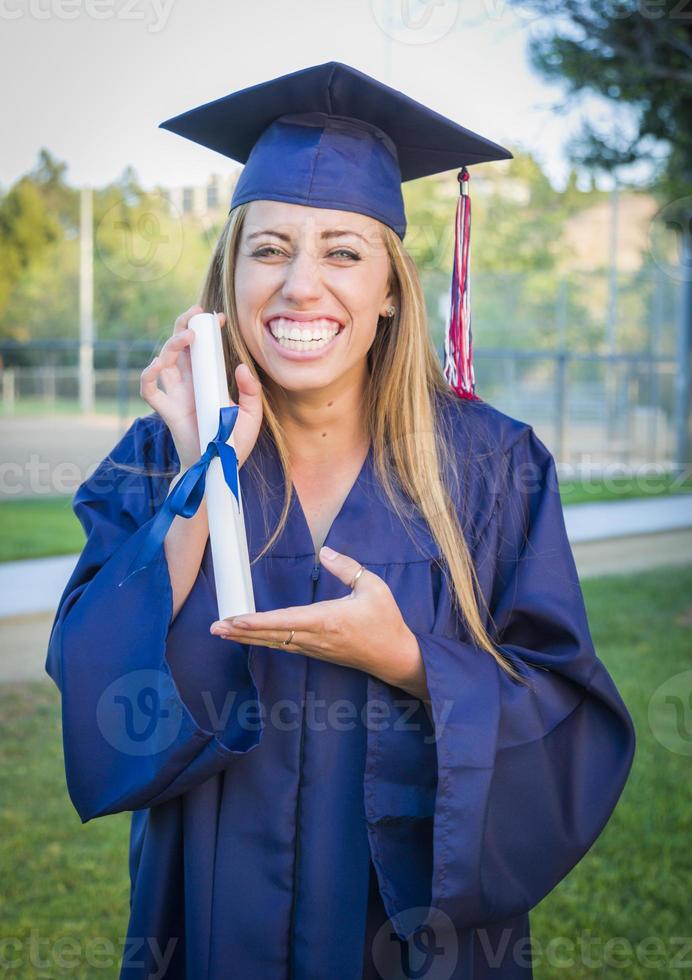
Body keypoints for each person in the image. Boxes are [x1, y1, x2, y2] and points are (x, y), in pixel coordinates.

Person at [45, 62, 636, 979]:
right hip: (212, 927)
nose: (300, 287)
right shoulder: (158, 455)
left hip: (409, 938)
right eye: (270, 249)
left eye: (344, 253)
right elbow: (92, 687)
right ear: (229, 275)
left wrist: (405, 661)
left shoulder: (491, 469)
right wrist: (207, 470)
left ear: (392, 289)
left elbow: (571, 728)